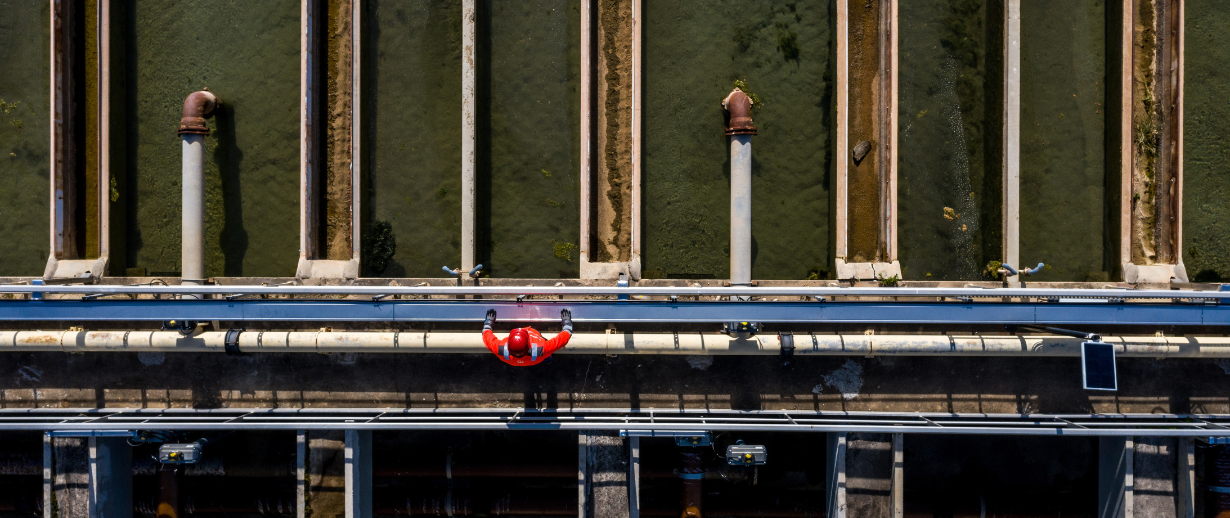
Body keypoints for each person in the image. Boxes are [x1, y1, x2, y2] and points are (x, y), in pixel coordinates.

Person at [482, 309, 572, 366]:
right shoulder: (541, 349)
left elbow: (487, 338)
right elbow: (562, 339)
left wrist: (488, 323)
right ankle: (547, 360)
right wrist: (567, 324)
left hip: (519, 362)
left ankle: (547, 360)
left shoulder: (500, 350)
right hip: (539, 357)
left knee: (547, 353)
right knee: (547, 355)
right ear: (529, 343)